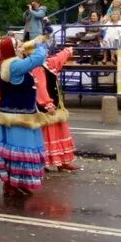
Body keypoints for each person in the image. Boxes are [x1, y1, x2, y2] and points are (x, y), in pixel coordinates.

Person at [0, 36, 49, 198]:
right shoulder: (15, 65)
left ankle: (12, 184)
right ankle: (15, 183)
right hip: (19, 116)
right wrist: (38, 43)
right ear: (11, 49)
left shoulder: (8, 64)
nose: (20, 46)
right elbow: (39, 57)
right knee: (22, 151)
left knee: (11, 152)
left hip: (11, 114)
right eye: (17, 45)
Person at [32, 45, 78, 173]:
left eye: (46, 51)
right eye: (43, 52)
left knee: (60, 131)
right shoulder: (36, 68)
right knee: (48, 134)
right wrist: (47, 103)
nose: (46, 54)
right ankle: (46, 162)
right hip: (47, 106)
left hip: (57, 104)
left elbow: (58, 58)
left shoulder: (48, 63)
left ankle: (63, 161)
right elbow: (40, 87)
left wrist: (68, 51)